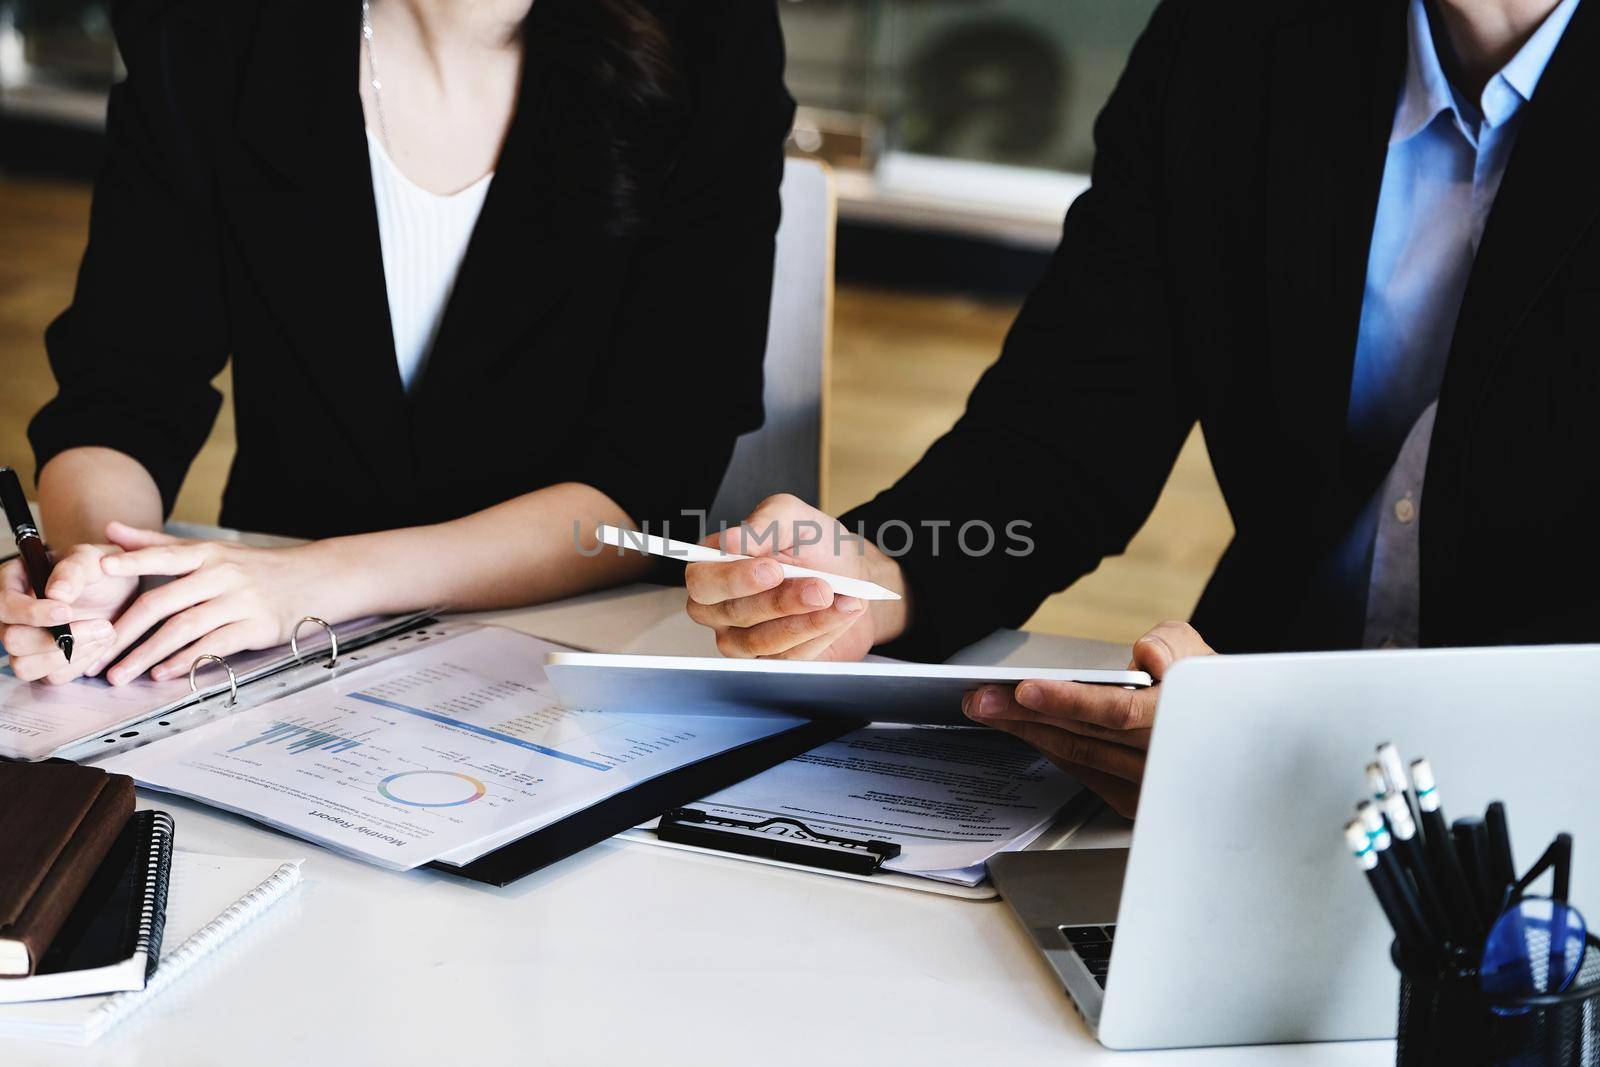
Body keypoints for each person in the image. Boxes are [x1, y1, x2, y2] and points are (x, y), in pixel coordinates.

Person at [683, 0, 1599, 817]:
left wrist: (1299, 755)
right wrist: (881, 570)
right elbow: (1069, 425)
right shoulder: (1234, 36)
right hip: (1233, 772)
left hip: (1553, 816)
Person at [1, 0, 793, 687]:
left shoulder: (710, 34)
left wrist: (318, 580)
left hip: (574, 650)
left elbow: (647, 480)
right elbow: (123, 392)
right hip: (279, 658)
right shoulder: (213, 27)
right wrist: (97, 573)